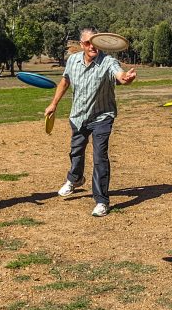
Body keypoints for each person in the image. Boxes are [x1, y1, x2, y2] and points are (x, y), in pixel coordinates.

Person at [45, 28, 137, 216]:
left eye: (95, 42)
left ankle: (102, 201)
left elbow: (119, 75)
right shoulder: (73, 60)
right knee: (76, 151)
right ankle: (76, 178)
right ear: (82, 45)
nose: (92, 46)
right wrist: (53, 104)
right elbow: (65, 82)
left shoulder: (108, 62)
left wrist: (126, 78)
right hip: (78, 116)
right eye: (87, 43)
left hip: (102, 117)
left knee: (99, 157)